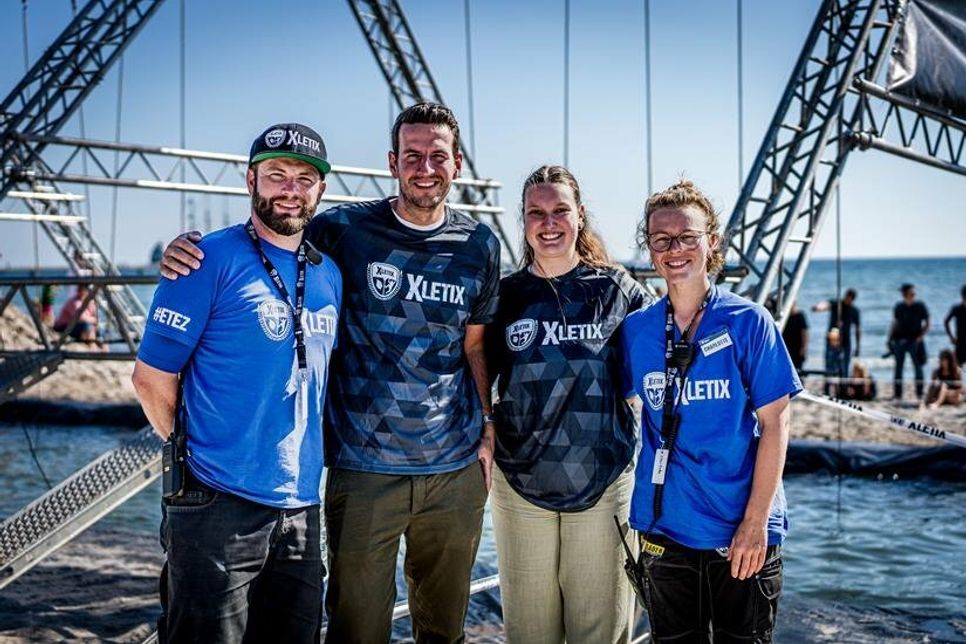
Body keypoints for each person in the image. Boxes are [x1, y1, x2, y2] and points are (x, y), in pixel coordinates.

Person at [161, 103, 500, 643]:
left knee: (445, 631)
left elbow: (475, 344)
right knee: (355, 629)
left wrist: (487, 423)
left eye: (438, 155)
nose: (425, 166)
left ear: (457, 163)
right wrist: (188, 251)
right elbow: (273, 234)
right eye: (413, 155)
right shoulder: (343, 230)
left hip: (453, 468)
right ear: (393, 162)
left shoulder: (480, 245)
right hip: (363, 469)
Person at [133, 123, 342, 642]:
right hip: (215, 503)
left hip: (299, 506)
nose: (289, 189)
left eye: (303, 178)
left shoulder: (328, 273)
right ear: (251, 180)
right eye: (276, 175)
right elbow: (149, 377)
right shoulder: (206, 260)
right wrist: (194, 456)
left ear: (320, 189)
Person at [621, 180, 801, 643]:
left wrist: (756, 523)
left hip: (739, 528)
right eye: (661, 239)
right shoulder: (638, 330)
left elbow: (776, 422)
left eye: (687, 237)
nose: (674, 249)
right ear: (650, 248)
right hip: (664, 529)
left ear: (711, 242)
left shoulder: (749, 322)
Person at [486, 166, 650, 643]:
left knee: (598, 634)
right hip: (519, 485)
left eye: (560, 210)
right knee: (531, 633)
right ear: (524, 221)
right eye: (536, 212)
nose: (549, 221)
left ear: (580, 216)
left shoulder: (616, 291)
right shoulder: (506, 296)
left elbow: (670, 350)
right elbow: (470, 373)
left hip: (602, 483)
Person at [889, 283, 930, 400]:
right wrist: (889, 340)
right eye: (911, 293)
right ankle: (897, 394)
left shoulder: (920, 306)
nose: (914, 295)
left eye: (914, 293)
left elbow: (928, 323)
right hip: (900, 340)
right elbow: (894, 324)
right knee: (898, 368)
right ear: (905, 294)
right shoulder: (899, 306)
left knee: (918, 367)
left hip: (915, 341)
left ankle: (920, 393)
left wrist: (920, 337)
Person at [812, 288, 861, 376]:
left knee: (844, 365)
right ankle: (828, 384)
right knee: (830, 364)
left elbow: (857, 329)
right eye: (847, 297)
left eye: (850, 299)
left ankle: (843, 386)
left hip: (845, 340)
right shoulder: (837, 304)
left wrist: (858, 346)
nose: (848, 300)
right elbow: (826, 304)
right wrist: (818, 307)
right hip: (832, 339)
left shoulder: (854, 310)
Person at [782, 302, 808, 371]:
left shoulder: (800, 316)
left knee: (798, 367)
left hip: (797, 346)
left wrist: (804, 348)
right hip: (787, 345)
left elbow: (804, 332)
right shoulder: (784, 317)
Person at [944, 285, 966, 366]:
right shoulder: (956, 308)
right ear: (962, 297)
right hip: (960, 342)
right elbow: (946, 322)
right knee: (957, 368)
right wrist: (951, 337)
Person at [823, 327, 845, 396]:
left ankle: (838, 393)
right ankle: (827, 392)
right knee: (828, 381)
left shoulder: (839, 349)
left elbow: (840, 360)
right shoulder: (829, 348)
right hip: (830, 368)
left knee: (837, 382)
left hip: (836, 369)